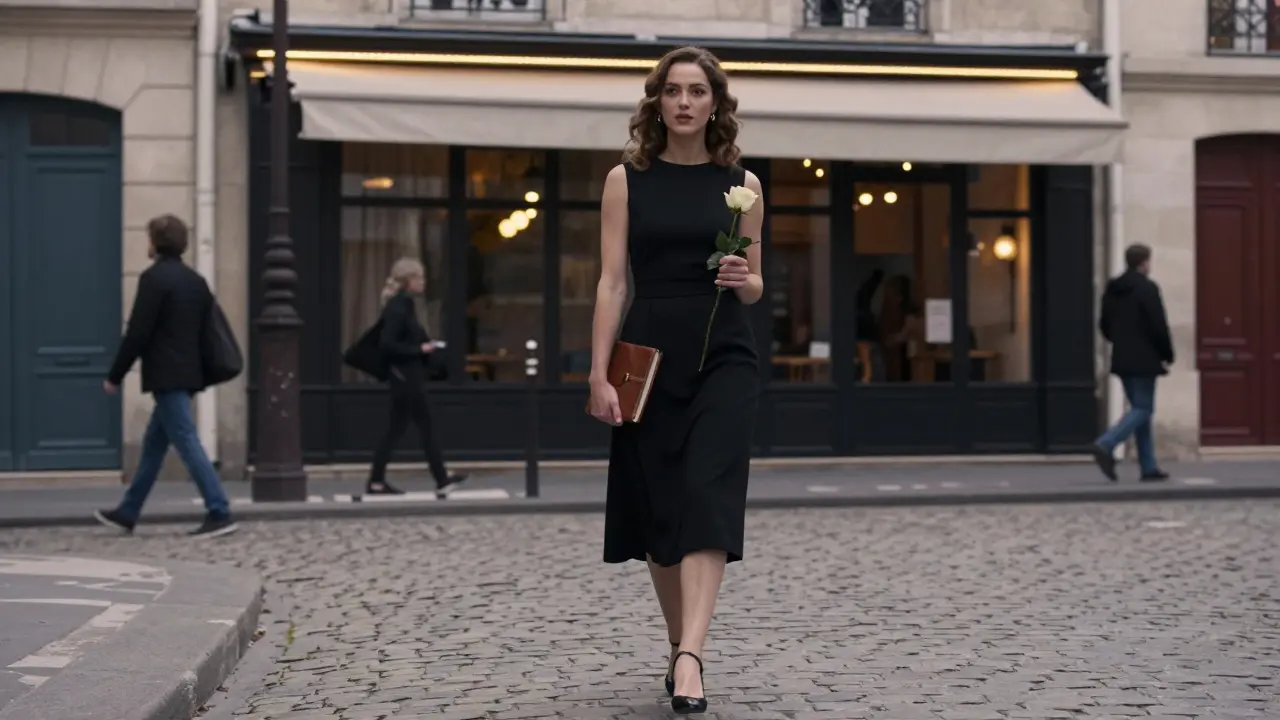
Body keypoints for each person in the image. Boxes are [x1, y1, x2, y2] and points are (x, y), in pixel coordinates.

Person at [586, 46, 763, 715]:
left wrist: (745, 277)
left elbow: (754, 285)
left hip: (725, 354)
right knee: (660, 509)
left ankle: (691, 656)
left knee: (704, 493)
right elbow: (611, 281)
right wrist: (598, 373)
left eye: (696, 91)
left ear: (715, 103)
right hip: (649, 355)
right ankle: (679, 646)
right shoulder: (625, 180)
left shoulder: (743, 184)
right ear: (656, 102)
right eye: (672, 91)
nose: (684, 102)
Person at [94, 215, 238, 538]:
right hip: (188, 375)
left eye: (148, 238)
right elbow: (205, 334)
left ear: (157, 242)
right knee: (154, 446)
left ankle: (219, 510)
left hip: (167, 375)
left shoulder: (154, 280)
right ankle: (128, 511)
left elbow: (137, 334)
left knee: (186, 441)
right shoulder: (195, 282)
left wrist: (115, 375)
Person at [366, 257, 468, 497]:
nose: (423, 282)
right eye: (420, 277)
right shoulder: (399, 306)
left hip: (406, 375)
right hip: (405, 376)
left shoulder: (404, 304)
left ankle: (376, 481)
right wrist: (420, 349)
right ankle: (441, 480)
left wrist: (426, 344)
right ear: (409, 280)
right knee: (426, 426)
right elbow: (388, 344)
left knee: (396, 429)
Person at [1093, 243, 1174, 482]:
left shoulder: (1113, 288)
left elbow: (1104, 324)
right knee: (1143, 408)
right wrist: (1167, 353)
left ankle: (1148, 467)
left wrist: (1119, 340)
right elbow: (1158, 325)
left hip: (1122, 355)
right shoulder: (1147, 288)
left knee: (1141, 411)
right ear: (1144, 263)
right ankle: (1106, 443)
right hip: (1145, 357)